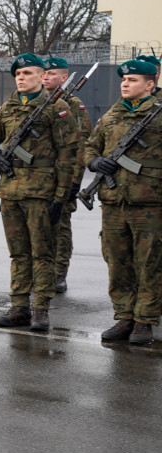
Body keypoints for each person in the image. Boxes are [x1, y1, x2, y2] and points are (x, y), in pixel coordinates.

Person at [0, 53, 79, 331]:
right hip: (11, 191)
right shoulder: (8, 108)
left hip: (41, 192)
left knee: (42, 253)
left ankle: (41, 310)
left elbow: (67, 155)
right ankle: (19, 306)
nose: (22, 78)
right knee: (19, 253)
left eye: (28, 74)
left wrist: (61, 196)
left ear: (41, 76)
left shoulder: (56, 108)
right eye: (18, 75)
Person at [87, 59, 161, 346]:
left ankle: (145, 320)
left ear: (150, 84)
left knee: (149, 264)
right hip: (114, 202)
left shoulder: (158, 113)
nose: (125, 84)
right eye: (123, 80)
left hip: (150, 203)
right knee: (117, 262)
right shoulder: (111, 115)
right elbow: (90, 145)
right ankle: (124, 316)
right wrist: (95, 161)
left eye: (132, 80)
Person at [42, 57, 92, 293]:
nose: (45, 77)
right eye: (44, 73)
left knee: (61, 228)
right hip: (39, 178)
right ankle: (40, 272)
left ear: (64, 78)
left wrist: (74, 181)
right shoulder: (37, 103)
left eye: (51, 73)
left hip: (64, 176)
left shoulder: (73, 103)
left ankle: (59, 273)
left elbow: (81, 145)